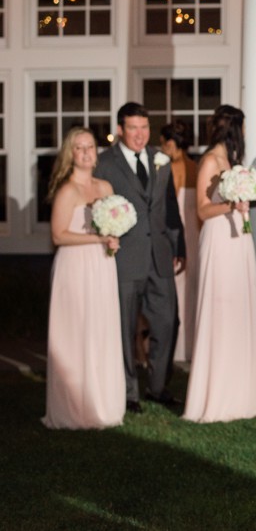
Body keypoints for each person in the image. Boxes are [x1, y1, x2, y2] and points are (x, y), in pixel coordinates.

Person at [94, 102, 185, 414]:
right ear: (120, 130)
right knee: (124, 325)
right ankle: (128, 391)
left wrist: (179, 245)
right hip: (124, 259)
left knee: (168, 321)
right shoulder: (104, 163)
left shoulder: (160, 159)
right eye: (133, 128)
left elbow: (169, 206)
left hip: (159, 256)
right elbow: (95, 208)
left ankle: (158, 387)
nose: (139, 134)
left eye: (144, 128)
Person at [183, 105, 256, 423]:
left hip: (238, 239)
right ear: (234, 129)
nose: (245, 133)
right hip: (219, 238)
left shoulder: (233, 163)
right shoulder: (209, 161)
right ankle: (216, 393)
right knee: (219, 307)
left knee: (237, 307)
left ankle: (241, 391)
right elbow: (202, 211)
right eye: (242, 128)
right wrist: (230, 205)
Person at [42, 128, 126, 429]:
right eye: (79, 148)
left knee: (101, 329)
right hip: (75, 268)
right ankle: (75, 409)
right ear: (71, 154)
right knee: (78, 332)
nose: (87, 152)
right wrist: (98, 240)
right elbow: (58, 235)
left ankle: (104, 402)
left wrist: (112, 239)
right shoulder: (68, 191)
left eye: (90, 147)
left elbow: (114, 221)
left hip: (103, 266)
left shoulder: (105, 186)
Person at [160, 120, 199, 363]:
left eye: (163, 144)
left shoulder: (169, 170)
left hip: (178, 235)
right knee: (193, 289)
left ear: (172, 144)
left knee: (178, 289)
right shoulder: (196, 166)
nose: (162, 148)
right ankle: (192, 345)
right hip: (196, 234)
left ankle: (177, 348)